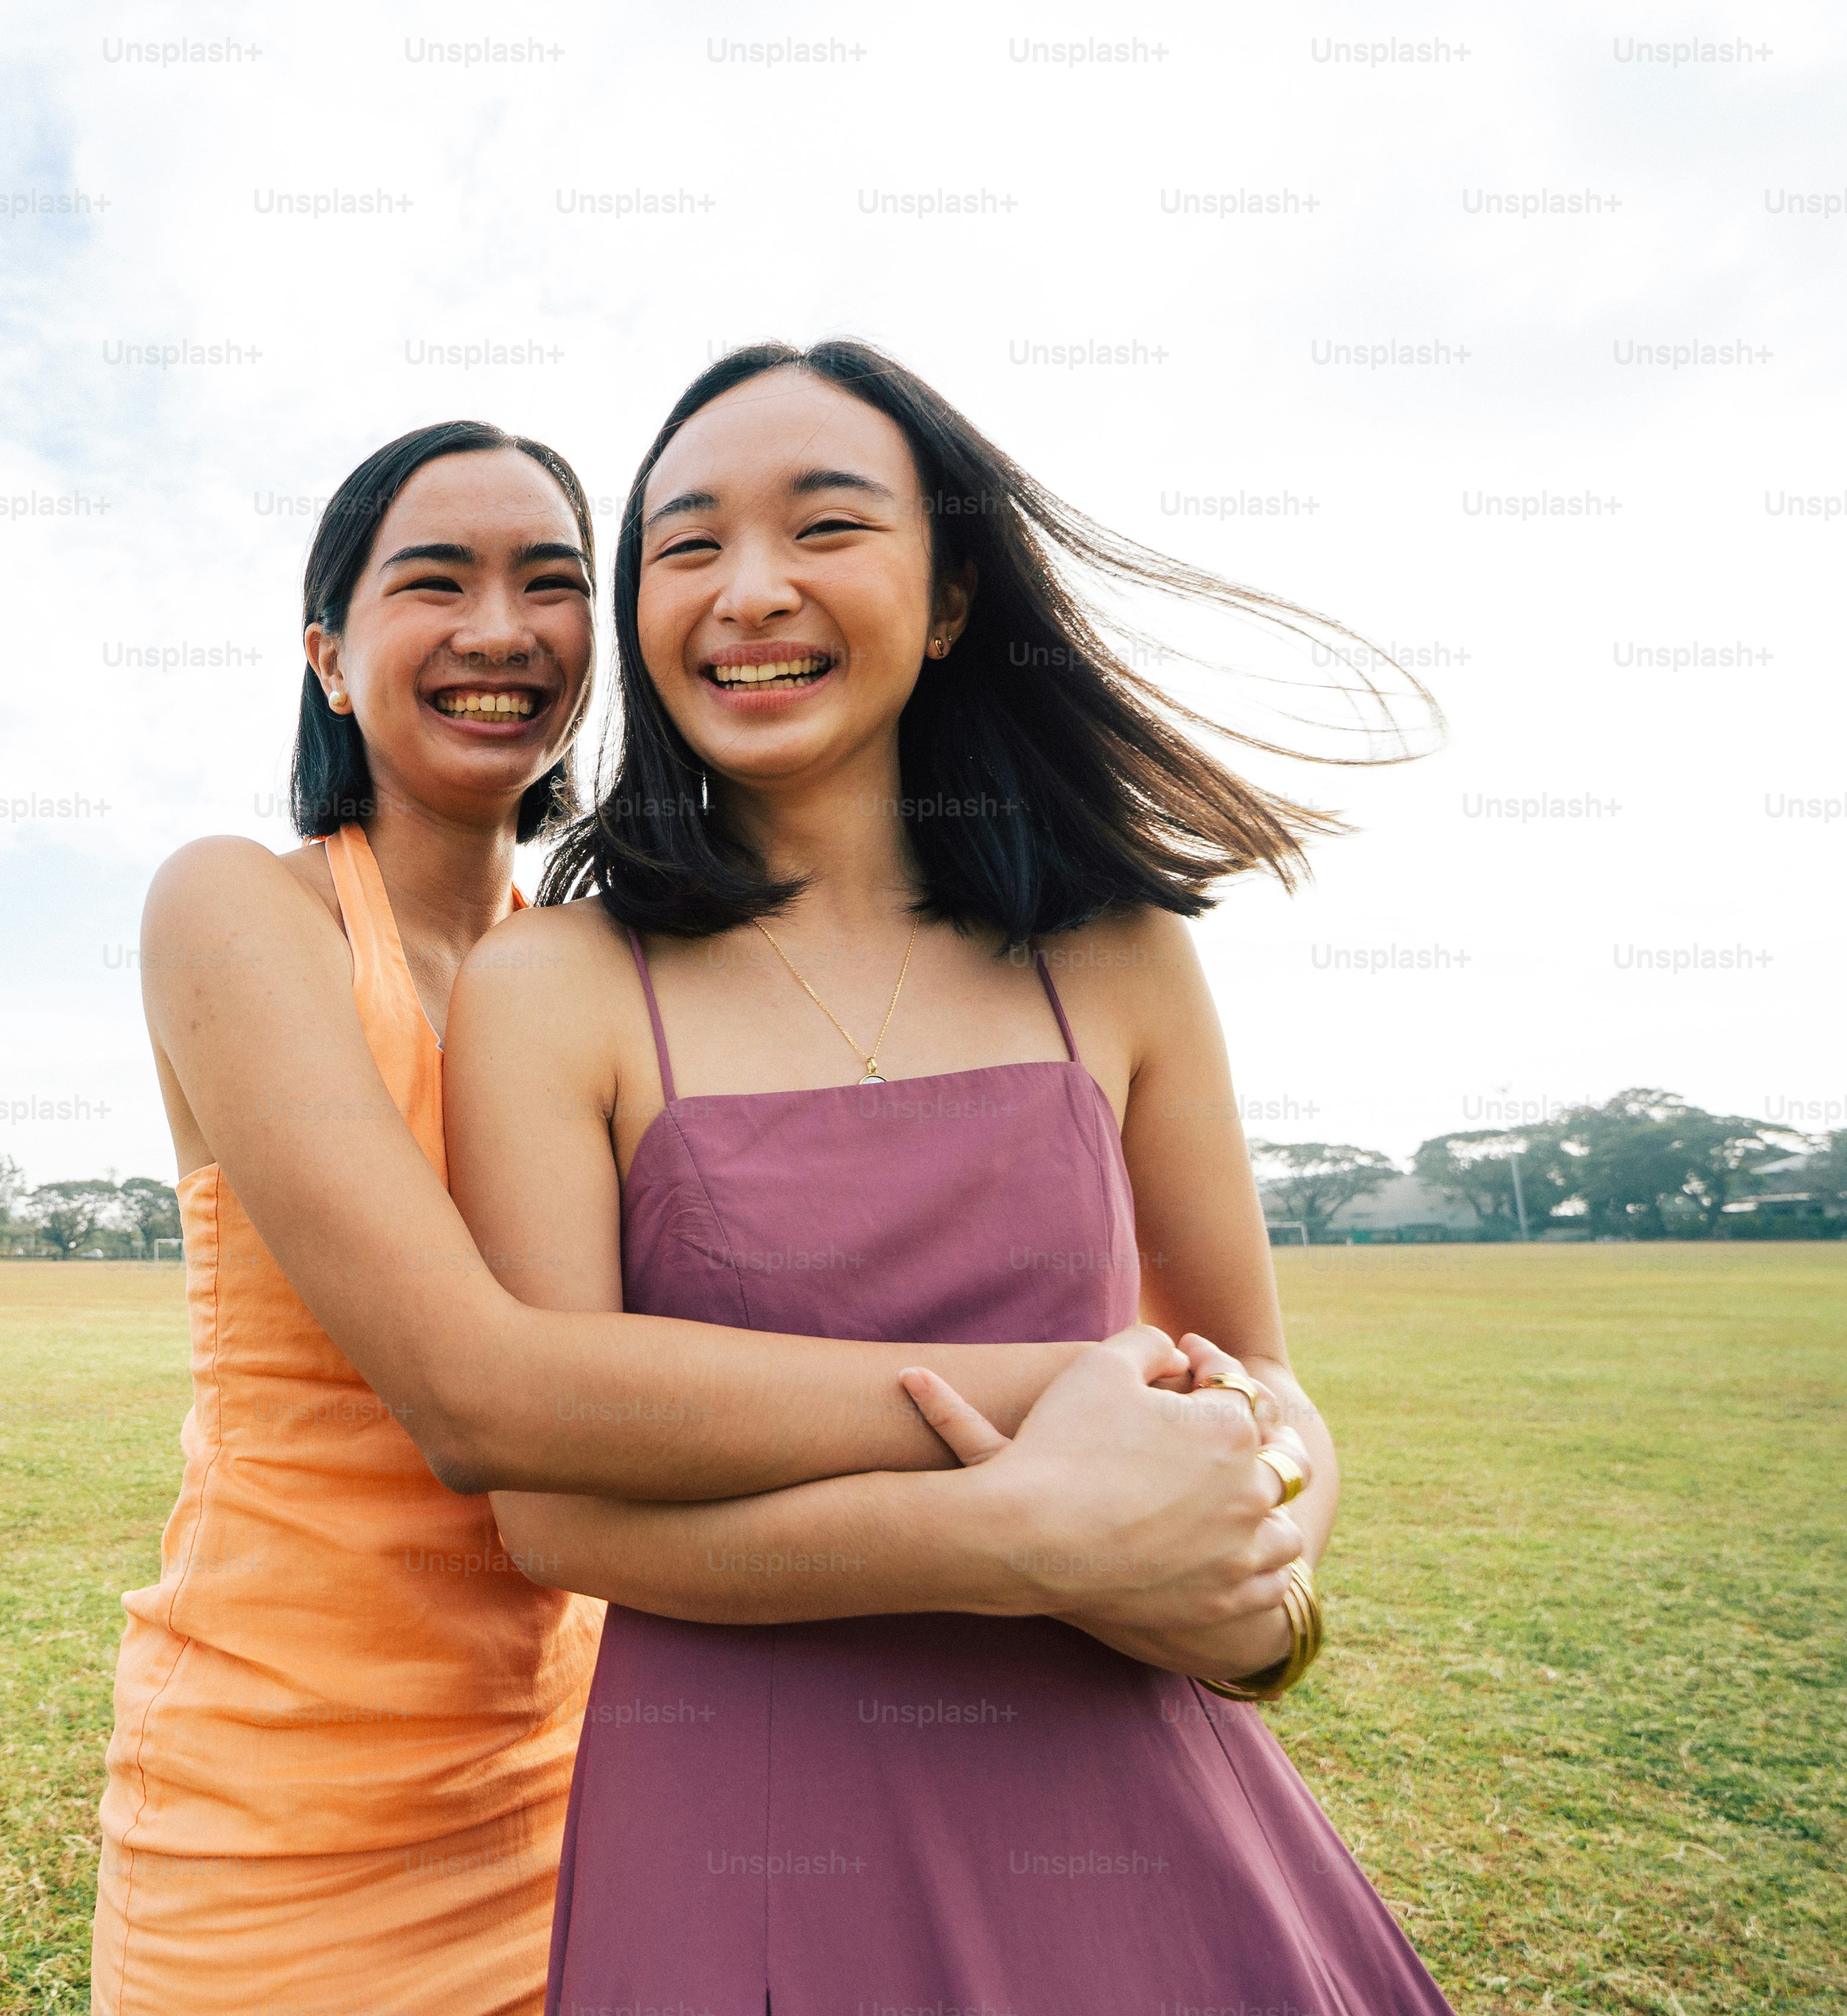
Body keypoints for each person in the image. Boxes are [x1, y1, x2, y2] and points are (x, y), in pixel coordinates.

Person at [101, 417, 1308, 2015]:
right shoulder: (237, 912)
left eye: (548, 583)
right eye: (433, 582)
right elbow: (479, 1396)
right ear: (330, 656)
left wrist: (1222, 1446)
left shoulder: (588, 979)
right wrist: (1114, 1393)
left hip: (583, 1767)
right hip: (282, 1791)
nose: (501, 630)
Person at [447, 340, 1453, 2013]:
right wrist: (1009, 1538)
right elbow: (552, 1505)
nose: (747, 590)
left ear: (953, 595)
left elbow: (1250, 1375)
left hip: (1135, 1790)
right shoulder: (552, 983)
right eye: (686, 548)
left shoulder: (1117, 954)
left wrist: (1260, 1598)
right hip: (744, 1832)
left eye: (823, 529)